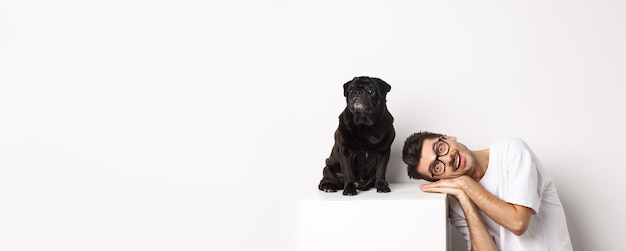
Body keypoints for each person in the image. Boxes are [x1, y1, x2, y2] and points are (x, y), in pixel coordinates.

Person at [402, 131, 572, 251]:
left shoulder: (511, 150)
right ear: (441, 179)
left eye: (440, 148)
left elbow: (518, 223)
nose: (448, 158)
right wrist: (464, 198)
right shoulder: (456, 202)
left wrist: (468, 185)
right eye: (437, 167)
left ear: (448, 137)